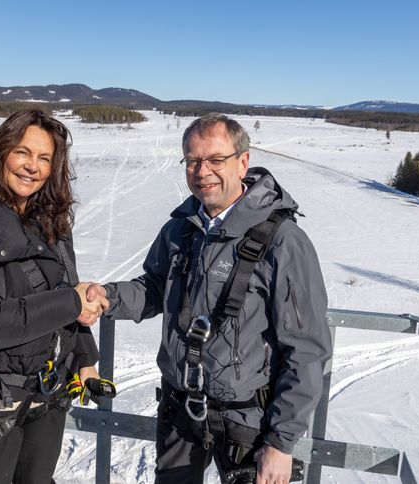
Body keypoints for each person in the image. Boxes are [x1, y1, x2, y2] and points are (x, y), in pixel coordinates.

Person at [85, 114, 332, 484]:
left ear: (243, 162)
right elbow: (154, 288)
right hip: (179, 409)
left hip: (247, 420)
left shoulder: (283, 242)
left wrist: (281, 442)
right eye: (193, 160)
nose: (203, 171)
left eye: (216, 160)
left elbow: (307, 349)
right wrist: (108, 297)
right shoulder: (180, 229)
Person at [0, 109, 112, 484]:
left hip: (47, 394)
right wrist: (72, 301)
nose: (33, 166)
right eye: (23, 152)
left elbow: (65, 294)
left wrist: (85, 357)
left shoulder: (49, 220)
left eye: (44, 158)